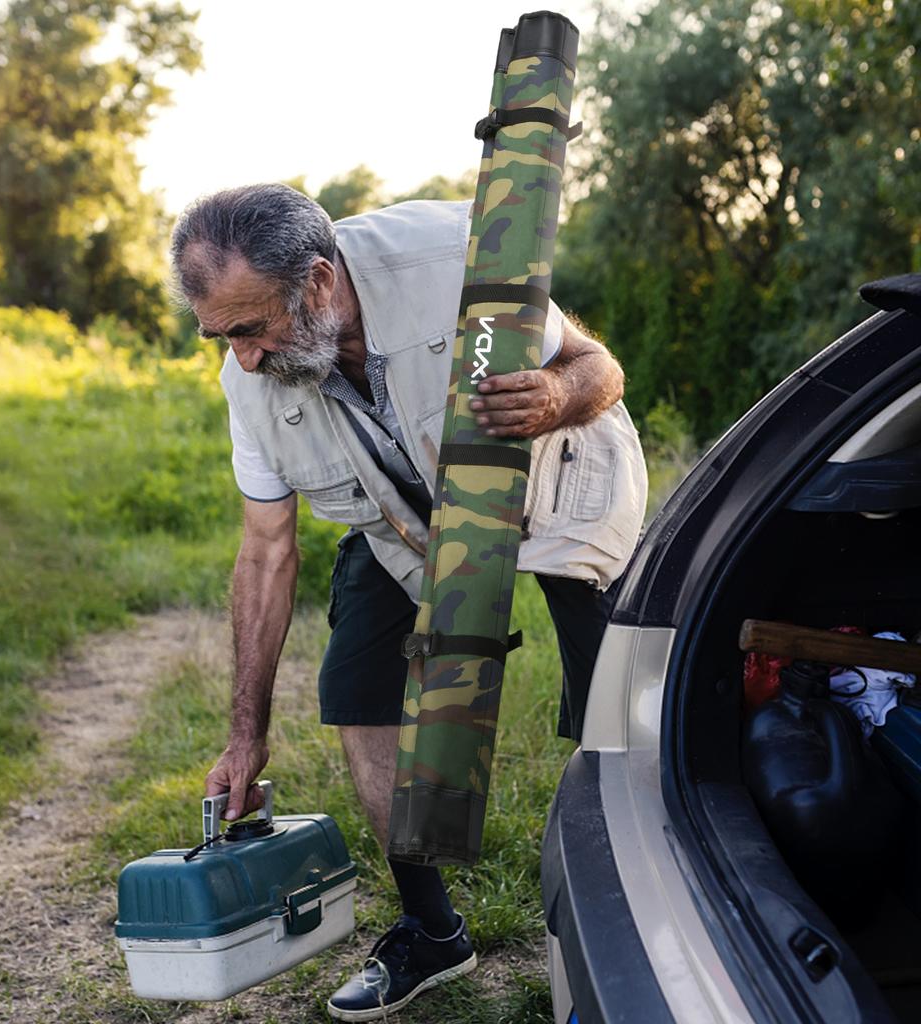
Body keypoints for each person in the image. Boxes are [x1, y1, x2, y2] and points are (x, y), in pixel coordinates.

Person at [169, 184, 647, 1021]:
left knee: (615, 704)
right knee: (357, 693)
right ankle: (433, 933)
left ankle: (638, 910)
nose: (239, 357)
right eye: (220, 334)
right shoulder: (248, 379)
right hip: (406, 519)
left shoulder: (452, 255)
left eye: (250, 328)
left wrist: (555, 396)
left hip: (561, 481)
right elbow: (266, 549)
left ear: (318, 283)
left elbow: (596, 368)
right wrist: (246, 733)